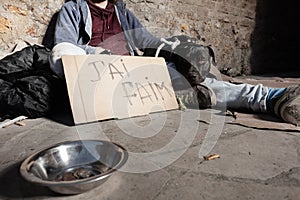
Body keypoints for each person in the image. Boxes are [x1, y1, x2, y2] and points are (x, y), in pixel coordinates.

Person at [49, 0, 300, 126]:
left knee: (200, 81)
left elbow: (146, 39)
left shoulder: (121, 11)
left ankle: (270, 98)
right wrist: (101, 56)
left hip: (134, 70)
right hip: (98, 72)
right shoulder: (73, 9)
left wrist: (173, 49)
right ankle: (180, 95)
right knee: (60, 52)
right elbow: (64, 46)